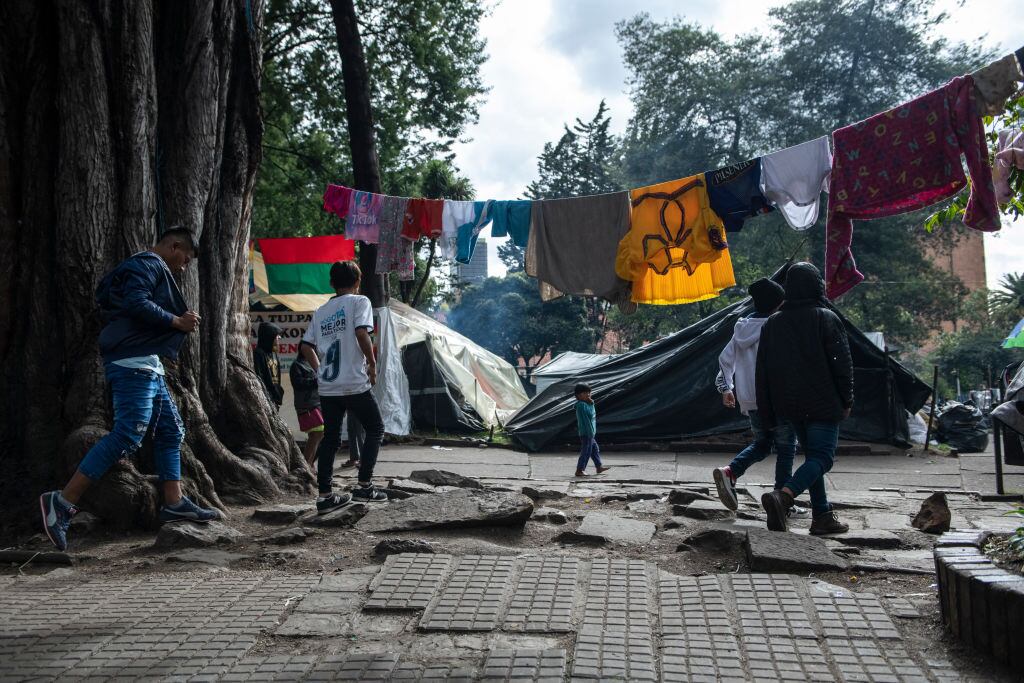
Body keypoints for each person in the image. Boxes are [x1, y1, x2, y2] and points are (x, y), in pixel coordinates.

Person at [39, 227, 219, 551]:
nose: (183, 267)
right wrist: (177, 322)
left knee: (170, 430)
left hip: (148, 362)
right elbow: (137, 302)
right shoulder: (148, 264)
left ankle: (174, 502)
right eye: (186, 260)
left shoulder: (150, 266)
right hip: (132, 362)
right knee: (127, 434)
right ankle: (62, 502)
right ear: (174, 246)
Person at [756, 262, 852, 535]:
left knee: (813, 457)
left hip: (789, 404)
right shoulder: (826, 318)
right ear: (815, 285)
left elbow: (762, 371)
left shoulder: (773, 323)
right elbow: (842, 364)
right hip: (823, 402)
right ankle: (784, 496)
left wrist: (767, 413)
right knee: (823, 458)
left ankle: (822, 515)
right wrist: (847, 399)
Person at [712, 279, 807, 518]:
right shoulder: (780, 325)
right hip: (778, 397)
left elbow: (725, 360)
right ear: (778, 303)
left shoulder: (741, 328)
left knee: (762, 443)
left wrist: (727, 388)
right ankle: (781, 500)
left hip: (750, 398)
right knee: (786, 448)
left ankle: (731, 472)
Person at [299, 260, 388, 511]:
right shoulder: (361, 302)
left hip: (328, 386)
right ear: (358, 283)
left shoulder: (322, 311)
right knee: (375, 428)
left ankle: (325, 495)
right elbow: (362, 333)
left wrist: (320, 371)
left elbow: (306, 346)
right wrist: (371, 364)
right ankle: (364, 487)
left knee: (330, 438)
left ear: (331, 283)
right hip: (353, 381)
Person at [290, 354, 324, 469]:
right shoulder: (297, 365)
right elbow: (298, 384)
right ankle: (306, 466)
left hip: (317, 403)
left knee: (319, 435)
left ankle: (309, 465)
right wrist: (317, 380)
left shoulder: (313, 363)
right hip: (307, 405)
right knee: (316, 434)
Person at [574, 383, 610, 477]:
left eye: (589, 393)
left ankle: (599, 467)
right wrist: (591, 403)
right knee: (586, 451)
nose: (588, 395)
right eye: (585, 393)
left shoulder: (585, 404)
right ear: (578, 395)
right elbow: (589, 416)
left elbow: (591, 415)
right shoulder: (581, 405)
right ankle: (580, 470)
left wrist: (591, 403)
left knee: (594, 450)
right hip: (587, 432)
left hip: (590, 433)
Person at [254, 322, 284, 411]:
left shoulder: (274, 354)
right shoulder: (258, 354)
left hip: (274, 400)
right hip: (265, 400)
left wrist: (278, 393)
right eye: (276, 335)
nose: (279, 338)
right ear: (269, 337)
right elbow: (259, 378)